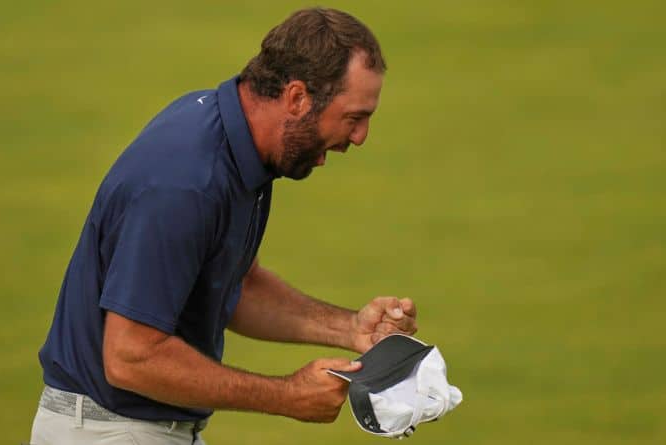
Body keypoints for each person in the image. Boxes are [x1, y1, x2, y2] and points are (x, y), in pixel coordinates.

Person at [30, 7, 417, 445]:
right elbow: (130, 357)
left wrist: (349, 328)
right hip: (109, 433)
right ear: (296, 98)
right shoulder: (186, 182)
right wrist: (287, 395)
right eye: (354, 117)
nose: (362, 136)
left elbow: (236, 286)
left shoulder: (240, 148)